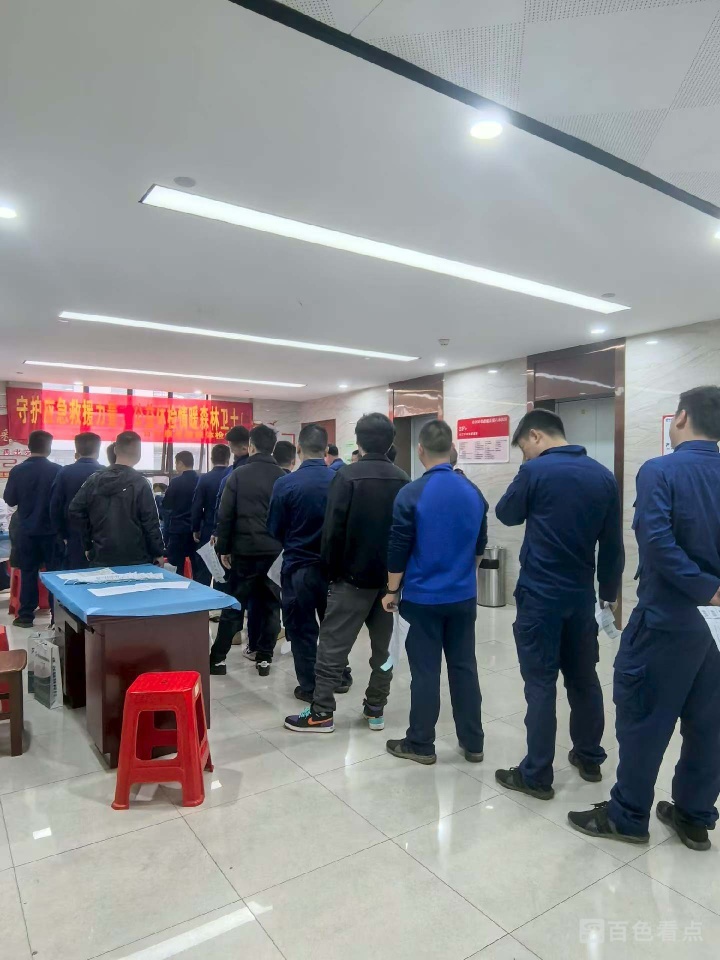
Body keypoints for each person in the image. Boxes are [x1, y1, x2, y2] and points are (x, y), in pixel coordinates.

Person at [570, 386, 720, 852]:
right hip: (717, 627)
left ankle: (628, 815)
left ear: (682, 418)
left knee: (645, 718)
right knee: (710, 722)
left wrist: (706, 588)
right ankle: (694, 816)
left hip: (668, 620)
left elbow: (656, 542)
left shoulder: (661, 470)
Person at [494, 409, 624, 800]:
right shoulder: (603, 476)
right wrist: (608, 594)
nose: (524, 457)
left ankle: (536, 774)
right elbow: (612, 544)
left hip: (540, 597)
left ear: (536, 435)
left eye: (523, 449)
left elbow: (506, 513)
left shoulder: (535, 472)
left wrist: (525, 473)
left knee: (540, 683)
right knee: (584, 678)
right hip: (581, 597)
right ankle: (589, 757)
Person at [285, 413, 409, 733]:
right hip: (390, 584)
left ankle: (322, 712)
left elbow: (333, 531)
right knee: (384, 649)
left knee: (332, 648)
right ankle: (376, 708)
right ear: (390, 442)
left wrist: (332, 573)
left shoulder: (347, 476)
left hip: (351, 581)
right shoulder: (403, 479)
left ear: (360, 441)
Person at [382, 420, 487, 764]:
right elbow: (480, 546)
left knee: (426, 671)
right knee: (464, 667)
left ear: (420, 450)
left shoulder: (411, 493)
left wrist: (391, 590)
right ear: (451, 448)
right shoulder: (473, 492)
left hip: (422, 598)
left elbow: (398, 547)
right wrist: (462, 577)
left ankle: (421, 743)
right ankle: (473, 742)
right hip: (463, 597)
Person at [268, 423, 352, 702]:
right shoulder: (341, 481)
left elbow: (274, 529)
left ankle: (310, 685)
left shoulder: (285, 484)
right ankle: (340, 676)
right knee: (334, 628)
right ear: (326, 449)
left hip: (299, 568)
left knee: (302, 628)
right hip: (335, 570)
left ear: (299, 449)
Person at [211, 424, 284, 677]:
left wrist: (224, 549)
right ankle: (264, 658)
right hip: (274, 553)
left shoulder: (238, 475)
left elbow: (226, 515)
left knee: (235, 605)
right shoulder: (283, 476)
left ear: (251, 446)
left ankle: (218, 659)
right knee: (271, 606)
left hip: (244, 551)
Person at [69, 430, 165, 567]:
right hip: (137, 557)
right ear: (138, 455)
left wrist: (88, 543)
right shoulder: (141, 483)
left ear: (115, 450)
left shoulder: (94, 480)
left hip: (100, 554)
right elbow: (151, 522)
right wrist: (158, 552)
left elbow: (75, 510)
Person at [3, 430, 62, 627]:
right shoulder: (58, 470)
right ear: (49, 448)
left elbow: (10, 499)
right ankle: (56, 617)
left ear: (29, 447)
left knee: (28, 572)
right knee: (54, 575)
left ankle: (26, 616)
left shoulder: (17, 471)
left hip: (26, 531)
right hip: (52, 532)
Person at [212, 425, 254, 654]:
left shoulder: (233, 475)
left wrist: (222, 544)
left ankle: (225, 647)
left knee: (235, 596)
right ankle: (259, 648)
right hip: (267, 548)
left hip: (238, 546)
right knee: (262, 600)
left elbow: (223, 512)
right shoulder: (275, 473)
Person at [49, 432, 104, 569]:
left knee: (74, 575)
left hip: (73, 536)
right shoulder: (106, 473)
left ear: (77, 450)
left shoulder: (65, 472)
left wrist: (61, 535)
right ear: (97, 451)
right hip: (101, 538)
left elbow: (55, 507)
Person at [191, 443, 231, 585]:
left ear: (212, 459)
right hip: (228, 532)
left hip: (207, 530)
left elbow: (197, 506)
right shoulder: (233, 476)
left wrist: (195, 528)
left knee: (204, 572)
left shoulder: (204, 478)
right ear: (228, 458)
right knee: (225, 574)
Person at [162, 451, 200, 577]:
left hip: (177, 530)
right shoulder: (200, 480)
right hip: (195, 531)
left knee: (175, 566)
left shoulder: (176, 482)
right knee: (195, 566)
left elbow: (167, 504)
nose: (176, 467)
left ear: (180, 463)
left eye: (176, 464)